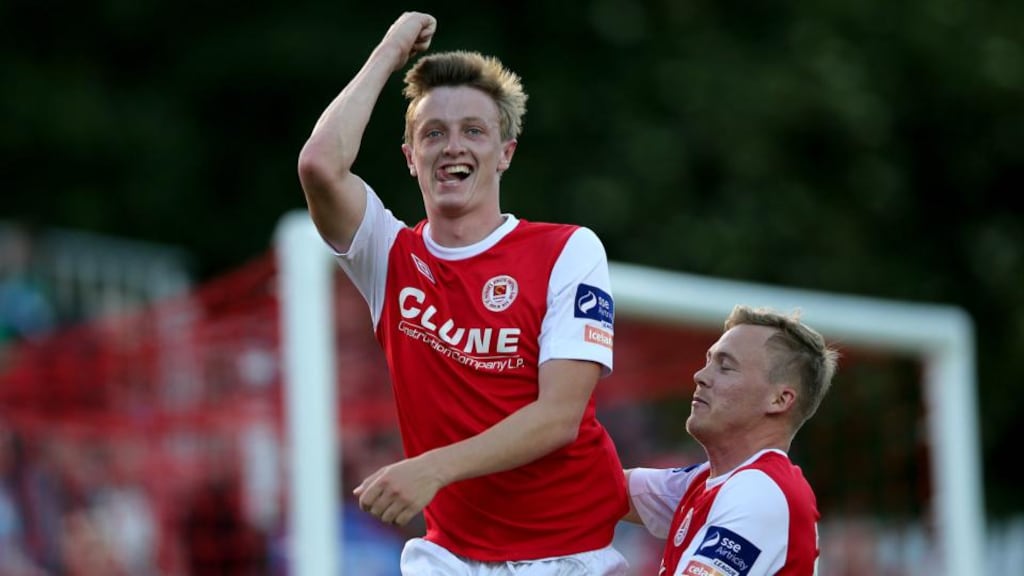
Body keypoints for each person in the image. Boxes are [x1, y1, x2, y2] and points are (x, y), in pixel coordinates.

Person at [297, 11, 628, 575]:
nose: (453, 147)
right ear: (410, 159)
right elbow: (320, 165)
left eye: (474, 131)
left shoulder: (568, 251)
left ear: (505, 153)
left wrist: (431, 468)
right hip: (450, 556)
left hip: (567, 553)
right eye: (433, 133)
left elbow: (558, 418)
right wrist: (389, 52)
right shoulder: (390, 256)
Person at [623, 305, 839, 575]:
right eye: (708, 362)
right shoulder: (708, 482)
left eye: (725, 367)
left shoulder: (760, 491)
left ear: (779, 399)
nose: (699, 376)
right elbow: (600, 485)